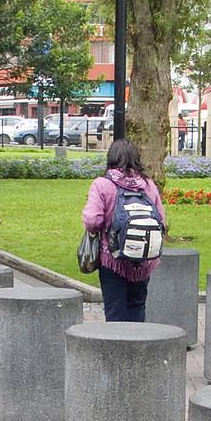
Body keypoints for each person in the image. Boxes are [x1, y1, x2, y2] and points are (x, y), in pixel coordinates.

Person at [81, 138, 166, 322]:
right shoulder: (148, 185)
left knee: (115, 309)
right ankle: (136, 347)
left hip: (113, 259)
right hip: (144, 259)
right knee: (137, 305)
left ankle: (117, 349)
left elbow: (92, 220)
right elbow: (162, 221)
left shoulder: (102, 184)